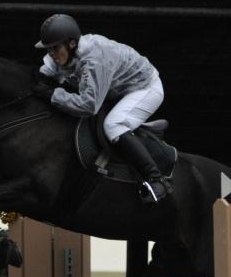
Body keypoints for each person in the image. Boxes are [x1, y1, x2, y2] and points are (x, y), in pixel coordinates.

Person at [32, 13, 172, 204]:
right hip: (116, 90)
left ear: (71, 44)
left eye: (55, 48)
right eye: (48, 49)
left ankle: (156, 179)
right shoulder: (61, 55)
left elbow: (88, 105)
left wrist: (53, 95)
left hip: (145, 88)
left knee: (113, 125)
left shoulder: (94, 59)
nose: (51, 54)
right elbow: (42, 77)